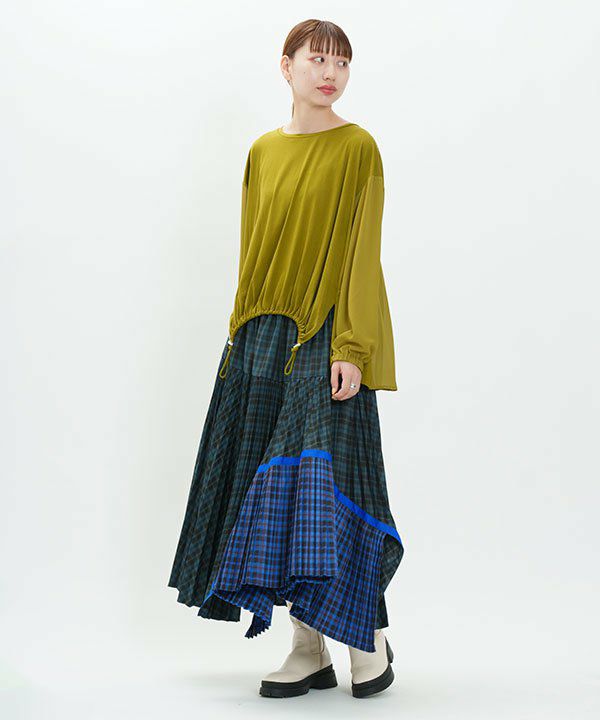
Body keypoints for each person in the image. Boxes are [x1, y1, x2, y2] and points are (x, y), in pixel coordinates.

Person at [168, 18, 404, 699]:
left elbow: (361, 252)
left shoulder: (357, 148)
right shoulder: (263, 152)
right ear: (286, 66)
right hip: (262, 335)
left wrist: (352, 345)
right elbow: (253, 250)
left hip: (326, 332)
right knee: (276, 491)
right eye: (317, 59)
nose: (330, 73)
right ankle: (307, 648)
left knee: (331, 486)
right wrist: (238, 339)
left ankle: (367, 640)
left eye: (342, 62)